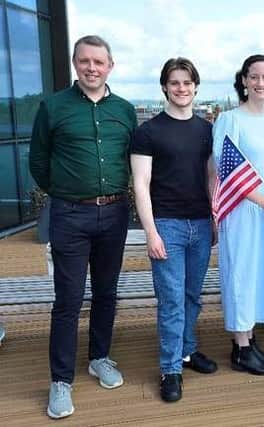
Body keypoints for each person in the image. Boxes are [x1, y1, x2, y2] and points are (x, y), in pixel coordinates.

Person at [29, 35, 137, 419]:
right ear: (76, 64)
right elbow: (38, 161)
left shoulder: (124, 110)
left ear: (111, 65)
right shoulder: (53, 106)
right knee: (68, 300)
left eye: (99, 62)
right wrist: (65, 192)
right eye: (85, 61)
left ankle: (99, 357)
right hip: (70, 215)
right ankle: (60, 381)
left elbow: (132, 160)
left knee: (107, 292)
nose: (92, 68)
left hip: (114, 214)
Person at [131, 57, 217, 403]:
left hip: (199, 223)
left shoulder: (206, 129)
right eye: (175, 82)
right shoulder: (148, 132)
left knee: (192, 296)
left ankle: (186, 350)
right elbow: (141, 184)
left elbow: (212, 177)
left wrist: (213, 218)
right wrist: (151, 231)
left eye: (187, 82)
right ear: (165, 87)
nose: (181, 88)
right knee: (171, 303)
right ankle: (170, 369)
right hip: (166, 225)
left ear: (196, 87)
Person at [213, 54, 264, 375]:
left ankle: (249, 338)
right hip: (244, 210)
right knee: (242, 274)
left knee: (262, 272)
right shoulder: (230, 119)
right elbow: (226, 168)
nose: (260, 83)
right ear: (243, 80)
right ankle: (241, 349)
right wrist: (262, 201)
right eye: (254, 76)